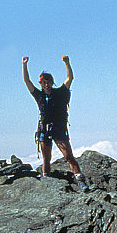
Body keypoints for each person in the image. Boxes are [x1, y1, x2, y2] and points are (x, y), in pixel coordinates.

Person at [22, 55, 89, 191]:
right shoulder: (39, 95)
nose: (46, 84)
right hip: (45, 130)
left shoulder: (60, 93)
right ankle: (46, 181)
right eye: (43, 82)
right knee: (46, 158)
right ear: (41, 84)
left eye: (48, 82)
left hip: (58, 128)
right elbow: (26, 81)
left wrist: (67, 63)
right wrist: (24, 65)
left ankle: (81, 181)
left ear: (52, 83)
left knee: (68, 156)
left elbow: (70, 78)